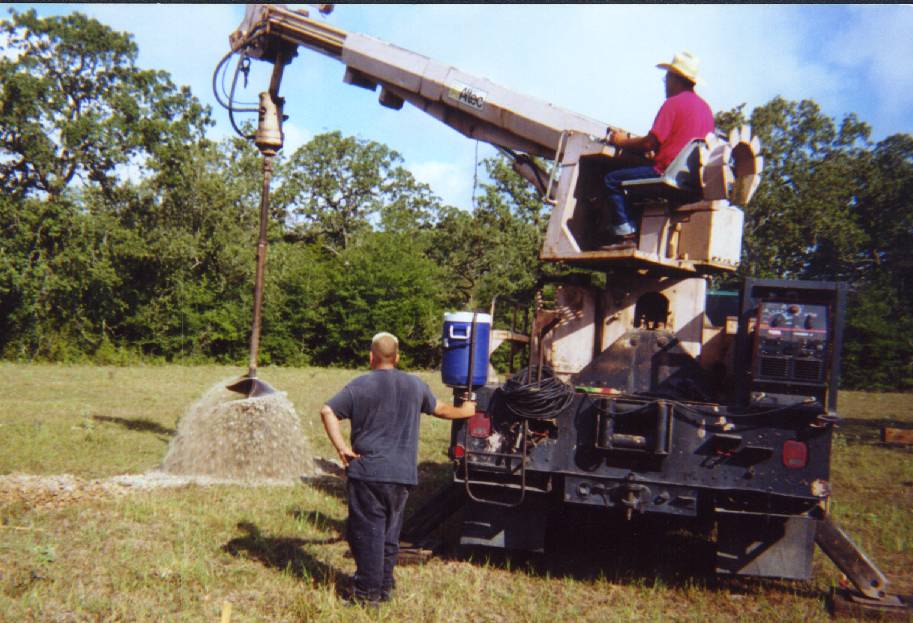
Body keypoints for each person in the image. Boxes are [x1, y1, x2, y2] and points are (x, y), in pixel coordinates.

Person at [319, 331, 475, 606]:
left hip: (368, 473)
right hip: (402, 475)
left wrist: (341, 448)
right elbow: (442, 410)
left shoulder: (360, 385)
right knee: (390, 534)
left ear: (371, 357)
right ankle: (385, 587)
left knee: (368, 534)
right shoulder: (415, 385)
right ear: (398, 357)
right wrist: (467, 411)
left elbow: (327, 410)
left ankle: (367, 596)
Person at [598, 51, 715, 247]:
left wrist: (619, 141)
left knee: (611, 180)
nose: (664, 83)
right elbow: (680, 144)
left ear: (674, 78)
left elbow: (648, 143)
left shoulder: (673, 104)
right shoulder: (706, 110)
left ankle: (626, 234)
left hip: (665, 172)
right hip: (689, 180)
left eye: (666, 78)